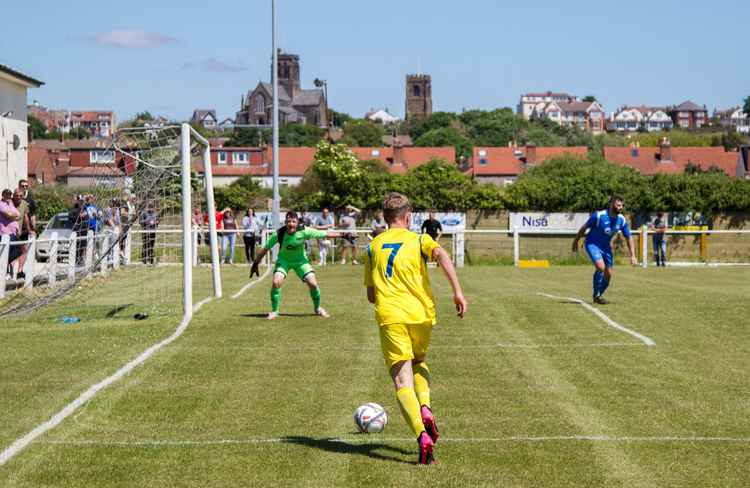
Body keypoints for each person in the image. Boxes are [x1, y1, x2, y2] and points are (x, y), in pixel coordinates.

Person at [364, 192, 467, 465]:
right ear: (408, 216)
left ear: (386, 218)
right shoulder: (420, 239)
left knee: (401, 381)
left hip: (391, 316)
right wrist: (457, 292)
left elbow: (371, 295)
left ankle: (422, 435)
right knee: (419, 361)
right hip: (421, 315)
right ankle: (425, 407)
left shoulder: (374, 246)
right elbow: (442, 254)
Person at [250, 211, 344, 320]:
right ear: (285, 222)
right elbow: (266, 248)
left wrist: (343, 235)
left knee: (313, 284)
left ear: (297, 222)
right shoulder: (279, 233)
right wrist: (256, 262)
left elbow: (324, 233)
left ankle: (318, 308)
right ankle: (274, 311)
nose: (291, 224)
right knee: (276, 282)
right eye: (288, 221)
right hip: (284, 261)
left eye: (293, 221)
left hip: (301, 262)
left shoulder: (304, 231)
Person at [572, 195, 637, 305]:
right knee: (600, 267)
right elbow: (584, 228)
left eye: (622, 205)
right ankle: (597, 295)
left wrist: (633, 256)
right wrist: (576, 241)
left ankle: (597, 295)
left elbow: (628, 237)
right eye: (618, 205)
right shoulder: (599, 216)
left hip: (606, 247)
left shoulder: (621, 220)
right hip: (592, 244)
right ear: (611, 204)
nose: (621, 207)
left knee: (609, 274)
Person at [0, 189, 23, 274]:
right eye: (6, 195)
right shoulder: (1, 204)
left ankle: (4, 263)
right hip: (5, 233)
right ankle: (4, 272)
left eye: (9, 195)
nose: (8, 197)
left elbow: (19, 215)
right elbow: (8, 215)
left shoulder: (10, 204)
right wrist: (13, 216)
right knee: (6, 252)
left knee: (19, 250)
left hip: (13, 233)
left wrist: (12, 216)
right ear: (3, 195)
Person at [11, 190, 32, 279]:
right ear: (13, 196)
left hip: (21, 231)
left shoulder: (24, 203)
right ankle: (10, 272)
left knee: (23, 250)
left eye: (20, 196)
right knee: (11, 253)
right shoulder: (9, 203)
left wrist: (29, 229)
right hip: (10, 232)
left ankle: (20, 271)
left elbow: (26, 217)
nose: (18, 197)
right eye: (17, 196)